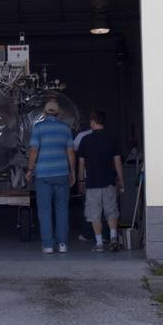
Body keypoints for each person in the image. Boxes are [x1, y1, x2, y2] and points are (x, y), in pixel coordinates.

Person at [25, 99, 76, 254]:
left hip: (43, 175)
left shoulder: (38, 128)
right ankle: (62, 244)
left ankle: (48, 245)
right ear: (58, 113)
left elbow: (34, 151)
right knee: (62, 210)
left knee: (44, 211)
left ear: (44, 113)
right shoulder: (65, 129)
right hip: (61, 173)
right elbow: (70, 152)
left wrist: (29, 169)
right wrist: (72, 172)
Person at [76, 109, 125, 252]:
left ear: (92, 121)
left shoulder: (86, 140)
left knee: (94, 213)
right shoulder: (112, 139)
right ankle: (114, 238)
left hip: (92, 183)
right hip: (109, 181)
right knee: (111, 211)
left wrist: (81, 180)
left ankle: (99, 244)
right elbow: (117, 162)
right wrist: (121, 180)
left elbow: (81, 163)